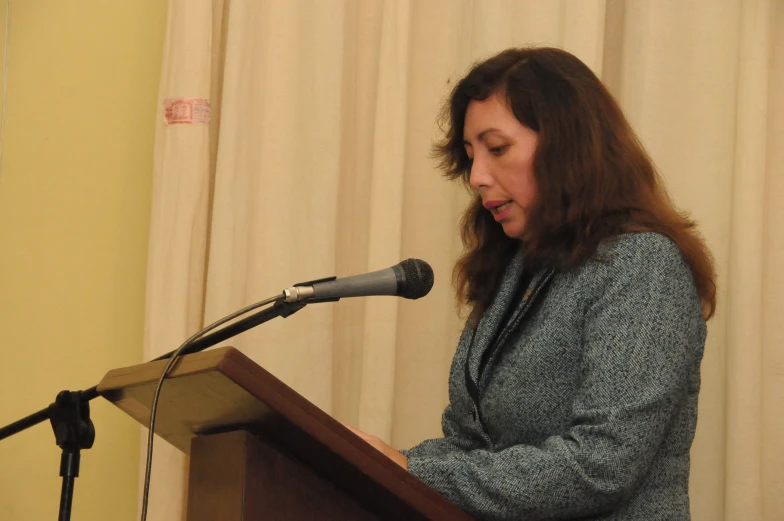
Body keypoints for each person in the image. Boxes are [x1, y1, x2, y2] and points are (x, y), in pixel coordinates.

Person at [347, 47, 716, 521]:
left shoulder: (642, 265)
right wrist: (382, 464)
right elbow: (469, 443)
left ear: (569, 144)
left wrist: (411, 472)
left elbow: (601, 464)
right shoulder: (517, 269)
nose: (477, 177)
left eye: (496, 149)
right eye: (470, 156)